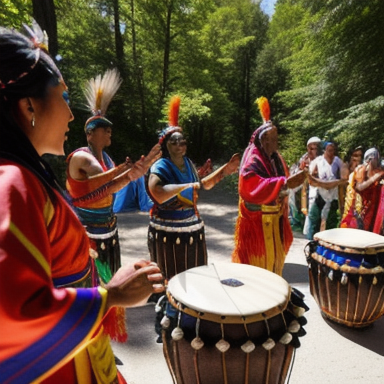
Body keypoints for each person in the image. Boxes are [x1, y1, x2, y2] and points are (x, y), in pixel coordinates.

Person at [0, 25, 164, 384]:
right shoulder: (12, 181)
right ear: (29, 105)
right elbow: (11, 314)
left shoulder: (25, 174)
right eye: (63, 97)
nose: (71, 116)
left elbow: (106, 188)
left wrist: (129, 172)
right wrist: (111, 295)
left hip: (78, 349)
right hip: (62, 367)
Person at [66, 69, 161, 341]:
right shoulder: (81, 158)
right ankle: (88, 334)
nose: (109, 133)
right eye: (104, 129)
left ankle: (104, 332)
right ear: (90, 134)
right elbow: (100, 181)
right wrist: (128, 172)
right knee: (91, 285)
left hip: (108, 230)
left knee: (110, 283)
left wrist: (132, 174)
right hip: (89, 235)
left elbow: (111, 187)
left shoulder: (105, 157)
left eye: (109, 129)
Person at [146, 95, 240, 280]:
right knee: (173, 276)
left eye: (183, 142)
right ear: (166, 145)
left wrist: (224, 171)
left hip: (191, 223)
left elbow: (203, 185)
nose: (180, 145)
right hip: (168, 226)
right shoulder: (160, 166)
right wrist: (190, 185)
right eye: (175, 142)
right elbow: (157, 192)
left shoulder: (188, 163)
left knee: (195, 275)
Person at [231, 97, 306, 276]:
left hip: (275, 221)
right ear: (264, 140)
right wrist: (285, 183)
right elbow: (249, 186)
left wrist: (291, 182)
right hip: (258, 224)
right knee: (258, 269)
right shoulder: (253, 158)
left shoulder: (275, 157)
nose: (276, 142)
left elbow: (284, 181)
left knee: (274, 266)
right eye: (273, 139)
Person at [306, 141, 348, 239]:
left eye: (332, 150)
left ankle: (329, 242)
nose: (331, 152)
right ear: (324, 150)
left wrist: (330, 183)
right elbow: (311, 180)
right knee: (314, 219)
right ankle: (311, 242)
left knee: (331, 221)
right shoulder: (318, 161)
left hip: (333, 196)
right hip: (320, 194)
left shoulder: (337, 161)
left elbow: (344, 179)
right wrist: (325, 184)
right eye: (329, 150)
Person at [341, 148, 384, 232]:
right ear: (371, 159)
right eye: (376, 159)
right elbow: (359, 187)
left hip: (370, 209)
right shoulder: (361, 170)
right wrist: (375, 177)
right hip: (359, 210)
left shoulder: (376, 171)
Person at [288, 136, 321, 232]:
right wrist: (300, 170)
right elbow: (292, 175)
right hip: (302, 187)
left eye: (314, 149)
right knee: (291, 191)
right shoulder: (303, 159)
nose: (311, 151)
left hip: (316, 188)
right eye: (310, 148)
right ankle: (296, 220)